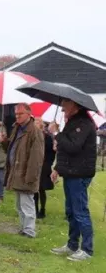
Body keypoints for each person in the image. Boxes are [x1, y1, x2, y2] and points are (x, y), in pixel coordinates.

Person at [49, 100, 98, 261]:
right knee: (71, 211)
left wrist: (57, 134)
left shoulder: (83, 124)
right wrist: (57, 169)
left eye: (65, 105)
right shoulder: (73, 123)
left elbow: (73, 147)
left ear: (75, 105)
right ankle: (72, 245)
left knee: (80, 211)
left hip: (80, 173)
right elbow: (66, 150)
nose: (62, 108)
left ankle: (87, 249)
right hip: (70, 172)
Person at [2, 103, 44, 238]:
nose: (18, 116)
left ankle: (30, 231)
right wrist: (4, 141)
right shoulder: (17, 128)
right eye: (16, 114)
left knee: (27, 204)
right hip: (17, 171)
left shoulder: (34, 132)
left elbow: (36, 157)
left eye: (20, 114)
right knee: (20, 205)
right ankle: (24, 228)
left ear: (28, 114)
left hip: (25, 173)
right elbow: (11, 149)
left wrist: (30, 177)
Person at [33, 119, 56, 219]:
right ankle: (34, 209)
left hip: (44, 166)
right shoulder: (32, 137)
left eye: (38, 124)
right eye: (35, 124)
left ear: (41, 126)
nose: (36, 126)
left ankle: (42, 209)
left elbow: (52, 152)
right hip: (34, 165)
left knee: (41, 189)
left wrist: (48, 163)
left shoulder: (47, 137)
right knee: (34, 189)